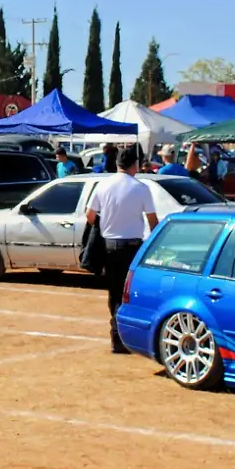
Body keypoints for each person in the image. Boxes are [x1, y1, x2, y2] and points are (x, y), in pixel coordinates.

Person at [85, 145, 159, 353]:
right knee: (131, 293)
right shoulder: (141, 187)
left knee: (115, 292)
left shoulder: (102, 185)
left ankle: (116, 337)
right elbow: (152, 221)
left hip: (109, 247)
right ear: (134, 165)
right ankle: (128, 337)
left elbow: (90, 217)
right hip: (132, 247)